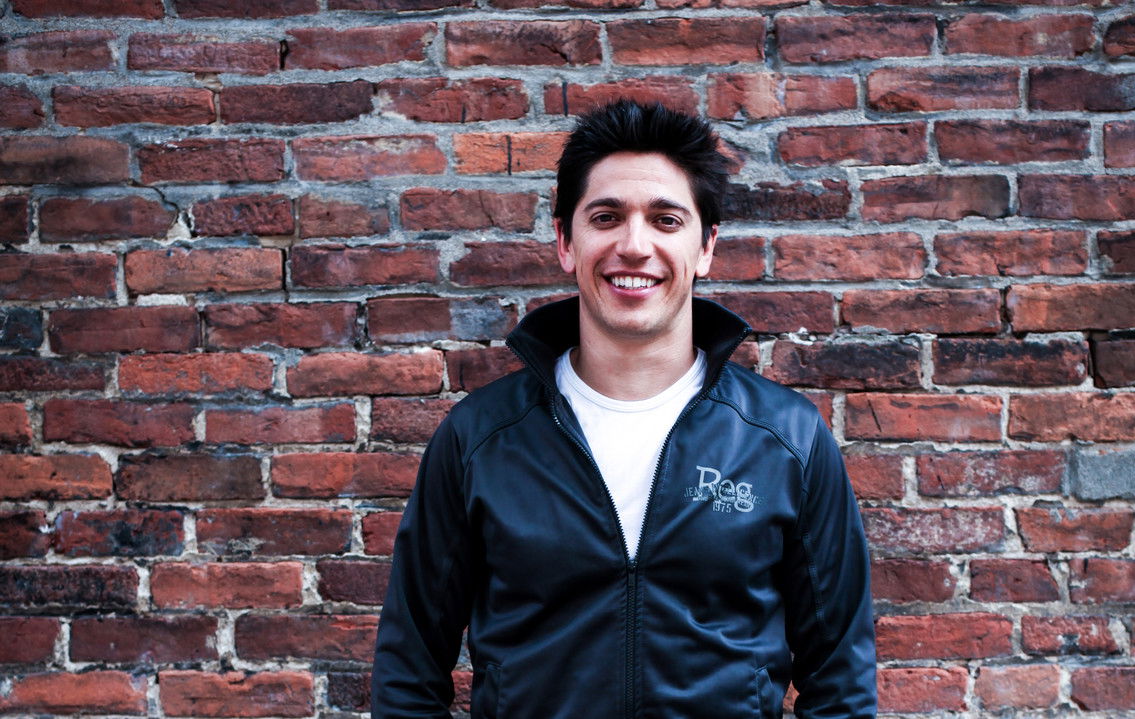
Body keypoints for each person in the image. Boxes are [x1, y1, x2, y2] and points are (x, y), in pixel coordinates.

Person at [372, 100, 876, 719]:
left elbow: (840, 679)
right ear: (566, 241)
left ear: (706, 246)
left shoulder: (785, 438)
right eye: (607, 217)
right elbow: (409, 672)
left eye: (666, 220)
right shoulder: (480, 437)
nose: (634, 246)